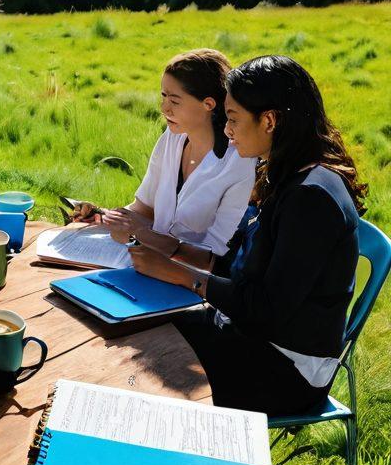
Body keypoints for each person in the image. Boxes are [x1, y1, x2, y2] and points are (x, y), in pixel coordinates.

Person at [129, 55, 365, 416]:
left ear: (269, 120)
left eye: (234, 119)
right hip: (252, 337)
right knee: (138, 325)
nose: (227, 130)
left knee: (149, 369)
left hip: (288, 370)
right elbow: (245, 266)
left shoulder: (311, 198)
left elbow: (266, 310)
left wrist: (180, 274)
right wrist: (173, 250)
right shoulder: (291, 174)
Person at [71, 49, 256, 257]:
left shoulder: (240, 162)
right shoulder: (172, 137)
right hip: (144, 261)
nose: (164, 108)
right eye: (163, 96)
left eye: (174, 101)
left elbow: (218, 253)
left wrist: (140, 236)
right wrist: (102, 217)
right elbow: (143, 209)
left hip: (191, 280)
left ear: (208, 104)